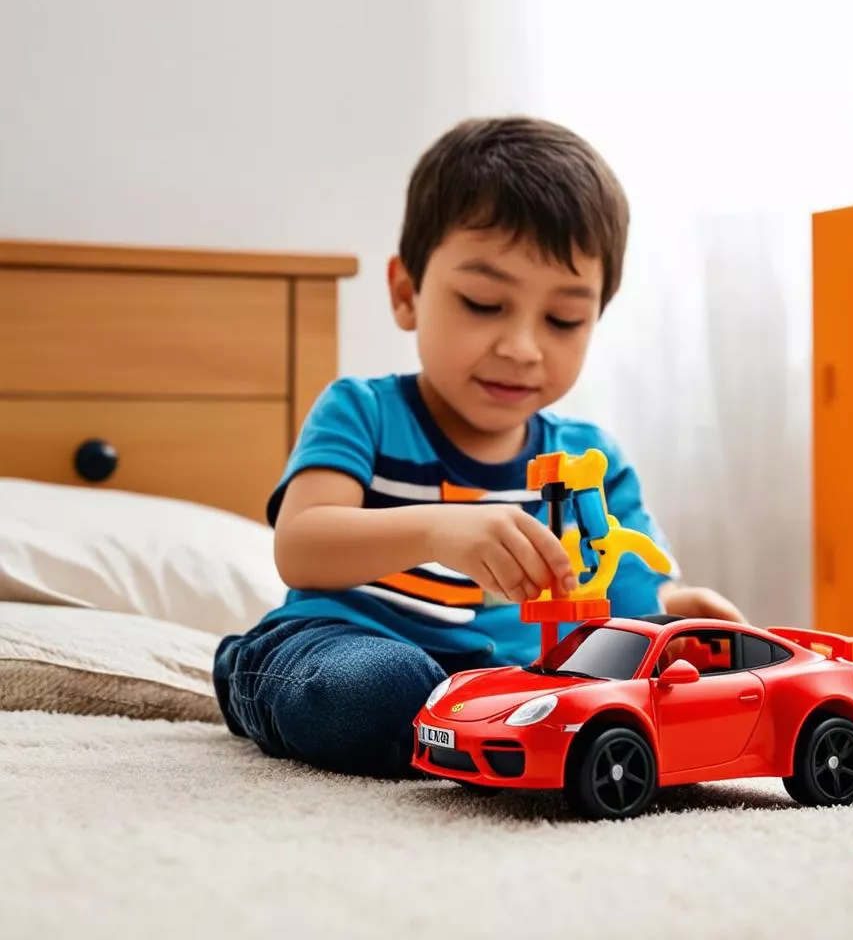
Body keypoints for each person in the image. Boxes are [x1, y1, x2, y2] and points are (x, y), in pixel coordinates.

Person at [212, 115, 746, 778]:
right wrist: (439, 531)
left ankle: (469, 731)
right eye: (483, 302)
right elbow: (301, 547)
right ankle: (250, 671)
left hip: (505, 681)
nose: (521, 347)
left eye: (563, 319)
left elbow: (628, 590)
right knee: (381, 690)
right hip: (345, 642)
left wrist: (673, 613)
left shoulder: (589, 462)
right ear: (407, 293)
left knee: (637, 701)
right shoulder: (363, 411)